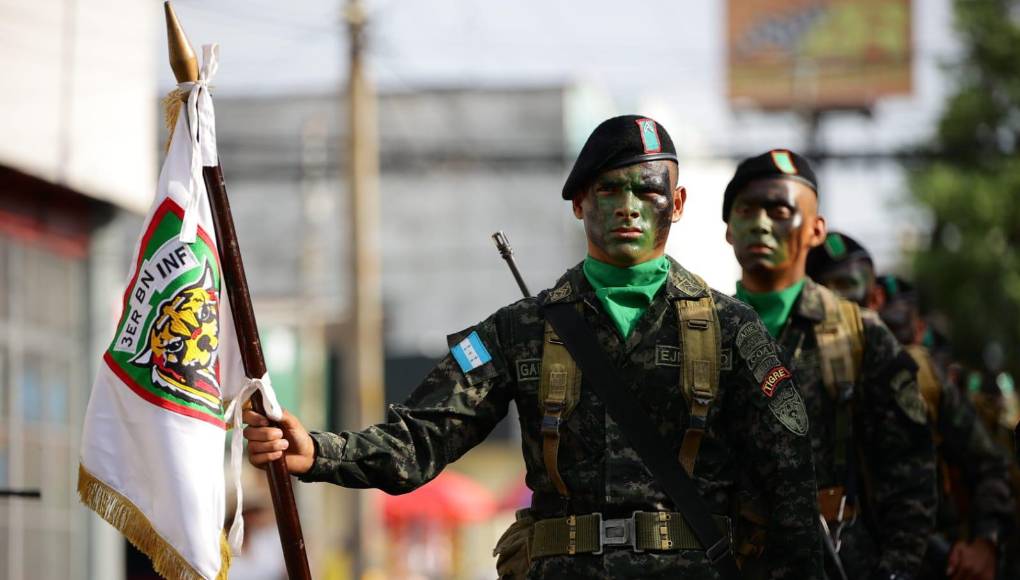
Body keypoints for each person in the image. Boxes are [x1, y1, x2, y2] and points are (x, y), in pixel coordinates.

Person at [244, 116, 823, 579]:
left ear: (676, 203)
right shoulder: (519, 330)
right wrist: (319, 452)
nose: (628, 207)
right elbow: (422, 439)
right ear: (578, 203)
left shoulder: (731, 327)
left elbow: (788, 483)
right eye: (609, 189)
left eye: (648, 191)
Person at [723, 151, 936, 580]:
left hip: (835, 558)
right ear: (728, 230)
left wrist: (897, 569)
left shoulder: (860, 335)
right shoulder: (701, 332)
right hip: (725, 560)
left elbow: (908, 470)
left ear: (816, 229)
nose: (761, 223)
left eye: (779, 210)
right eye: (746, 210)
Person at [807, 236, 1015, 580]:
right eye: (824, 290)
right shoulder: (793, 369)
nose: (837, 303)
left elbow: (989, 465)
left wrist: (985, 543)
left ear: (874, 298)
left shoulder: (919, 375)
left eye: (847, 287)